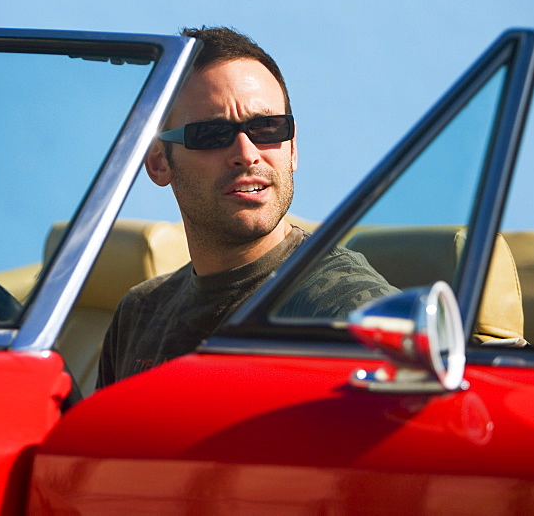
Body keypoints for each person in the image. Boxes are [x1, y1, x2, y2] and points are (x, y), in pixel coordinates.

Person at [96, 26, 396, 388]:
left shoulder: (344, 312)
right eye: (211, 135)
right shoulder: (139, 314)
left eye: (268, 128)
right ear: (158, 162)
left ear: (293, 148)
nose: (246, 154)